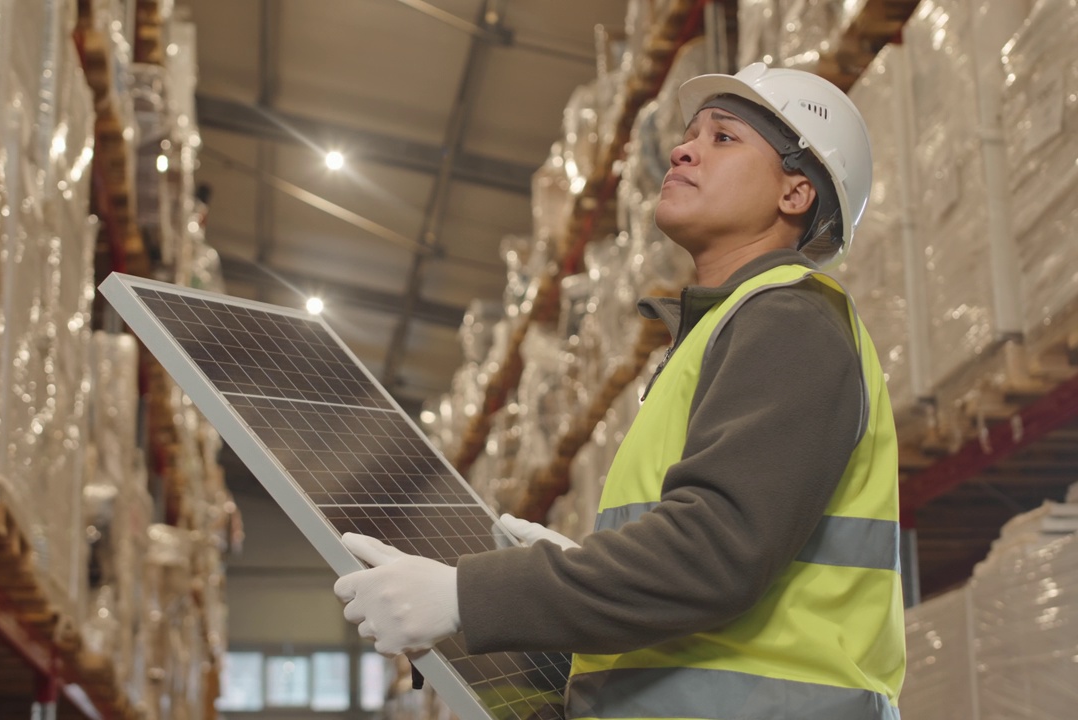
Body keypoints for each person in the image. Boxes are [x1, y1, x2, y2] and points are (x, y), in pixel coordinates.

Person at [334, 63, 905, 720]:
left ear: (796, 193)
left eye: (723, 138)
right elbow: (705, 556)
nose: (682, 149)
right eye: (688, 134)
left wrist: (470, 596)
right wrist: (586, 574)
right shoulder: (719, 334)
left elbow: (713, 553)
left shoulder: (788, 323)